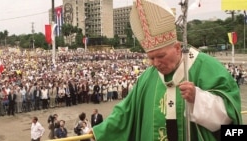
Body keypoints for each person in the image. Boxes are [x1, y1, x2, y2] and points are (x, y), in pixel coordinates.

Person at [90, 0, 242, 141]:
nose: (155, 63)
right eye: (151, 58)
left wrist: (198, 98)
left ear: (177, 48)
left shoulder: (206, 67)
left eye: (160, 56)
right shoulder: (147, 77)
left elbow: (230, 114)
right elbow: (125, 111)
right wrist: (99, 132)